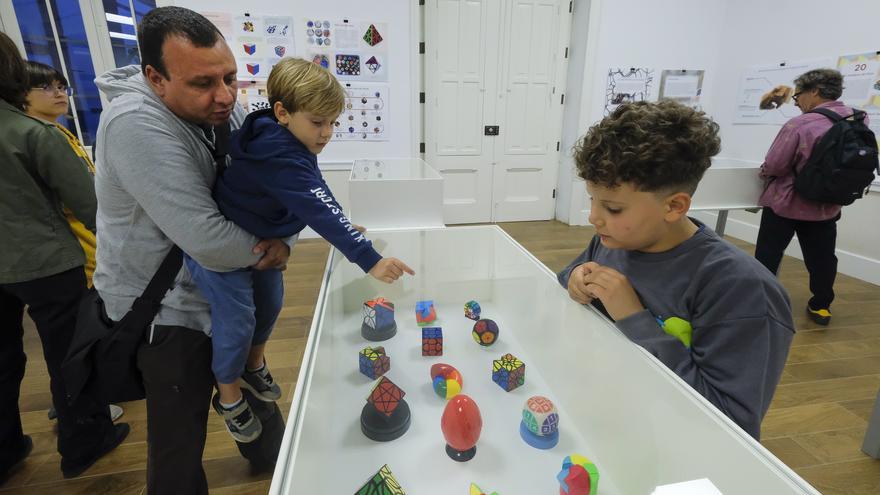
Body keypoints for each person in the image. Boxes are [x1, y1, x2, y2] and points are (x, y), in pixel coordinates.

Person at [92, 7, 291, 493]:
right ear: (155, 77)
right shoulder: (134, 124)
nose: (224, 96)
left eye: (229, 77)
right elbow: (210, 241)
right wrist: (278, 248)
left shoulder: (225, 109)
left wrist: (282, 233)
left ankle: (279, 466)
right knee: (178, 444)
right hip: (166, 308)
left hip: (227, 291)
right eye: (203, 83)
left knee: (259, 406)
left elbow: (281, 185)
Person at [184, 57, 414, 442]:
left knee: (271, 304)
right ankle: (228, 396)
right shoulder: (279, 153)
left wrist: (341, 224)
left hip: (259, 244)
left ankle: (254, 366)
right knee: (237, 321)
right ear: (282, 113)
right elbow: (315, 200)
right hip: (224, 254)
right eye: (318, 122)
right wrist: (369, 258)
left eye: (332, 123)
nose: (327, 133)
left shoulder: (289, 140)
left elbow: (316, 190)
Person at [557, 100, 794, 440]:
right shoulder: (613, 241)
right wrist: (577, 278)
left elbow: (732, 421)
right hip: (607, 415)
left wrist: (633, 317)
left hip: (673, 441)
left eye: (612, 207)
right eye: (592, 199)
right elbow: (569, 275)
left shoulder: (742, 289)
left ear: (674, 206)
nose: (594, 217)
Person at [0, 32, 128, 483]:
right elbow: (92, 205)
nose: (59, 94)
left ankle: (5, 449)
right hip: (46, 262)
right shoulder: (31, 133)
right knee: (71, 355)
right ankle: (83, 442)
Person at [21, 60, 124, 423]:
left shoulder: (60, 134)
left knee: (74, 339)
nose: (59, 94)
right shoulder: (40, 136)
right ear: (21, 95)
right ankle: (78, 409)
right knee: (74, 341)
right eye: (46, 88)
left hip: (85, 251)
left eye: (62, 86)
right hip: (77, 254)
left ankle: (71, 401)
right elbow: (81, 202)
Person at [754, 69, 860, 326]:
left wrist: (764, 172)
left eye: (798, 95)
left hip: (787, 203)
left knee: (768, 254)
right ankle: (821, 305)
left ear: (814, 91)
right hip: (828, 205)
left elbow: (776, 164)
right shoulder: (857, 119)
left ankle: (760, 303)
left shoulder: (799, 124)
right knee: (823, 257)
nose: (797, 101)